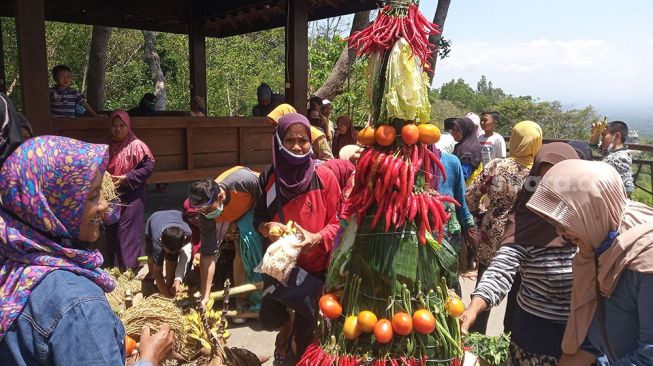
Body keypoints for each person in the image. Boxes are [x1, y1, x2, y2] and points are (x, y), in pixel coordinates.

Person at [0, 135, 173, 365]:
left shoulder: (11, 265)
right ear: (55, 208)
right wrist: (150, 358)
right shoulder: (78, 305)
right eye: (92, 196)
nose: (103, 205)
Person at [461, 143, 579, 365]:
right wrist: (474, 307)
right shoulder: (527, 220)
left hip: (582, 342)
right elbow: (501, 269)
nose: (551, 190)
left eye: (558, 181)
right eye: (543, 182)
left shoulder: (593, 223)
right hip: (533, 338)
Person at [527, 160, 653, 366]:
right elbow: (594, 337)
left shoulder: (645, 260)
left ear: (593, 210)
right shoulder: (598, 248)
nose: (560, 232)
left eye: (565, 219)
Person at [253, 112, 340, 365]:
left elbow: (339, 222)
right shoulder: (269, 178)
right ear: (279, 141)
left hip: (316, 268)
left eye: (303, 140)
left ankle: (294, 353)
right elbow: (258, 218)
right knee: (270, 318)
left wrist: (316, 237)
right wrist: (268, 228)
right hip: (279, 266)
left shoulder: (324, 176)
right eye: (290, 140)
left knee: (306, 333)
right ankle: (285, 327)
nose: (298, 146)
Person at [465, 120, 543, 334]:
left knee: (485, 286)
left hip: (493, 235)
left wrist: (483, 214)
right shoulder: (539, 171)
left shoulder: (496, 166)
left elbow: (471, 197)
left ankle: (474, 339)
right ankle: (509, 343)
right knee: (518, 295)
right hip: (524, 237)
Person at [188, 166, 263, 310]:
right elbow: (208, 255)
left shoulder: (242, 181)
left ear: (221, 196)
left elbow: (268, 196)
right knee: (241, 254)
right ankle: (244, 301)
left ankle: (266, 297)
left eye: (209, 210)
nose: (205, 214)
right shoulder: (206, 216)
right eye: (202, 212)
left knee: (251, 242)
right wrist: (205, 295)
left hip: (257, 205)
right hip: (238, 214)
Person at [106, 109, 155, 269]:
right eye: (114, 126)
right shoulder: (107, 146)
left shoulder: (137, 146)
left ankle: (129, 267)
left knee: (127, 230)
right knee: (112, 228)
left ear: (128, 126)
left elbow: (148, 168)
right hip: (112, 194)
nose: (118, 129)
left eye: (122, 125)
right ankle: (115, 266)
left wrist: (127, 178)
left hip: (132, 194)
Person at [432, 145, 477, 293]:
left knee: (448, 283)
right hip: (436, 233)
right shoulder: (404, 161)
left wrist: (469, 227)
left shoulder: (451, 162)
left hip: (447, 233)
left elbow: (461, 201)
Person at [144, 210, 193, 298]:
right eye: (168, 251)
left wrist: (175, 281)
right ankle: (150, 272)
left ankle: (168, 284)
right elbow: (158, 273)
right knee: (151, 256)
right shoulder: (157, 242)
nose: (169, 253)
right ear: (162, 242)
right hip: (155, 218)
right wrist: (167, 296)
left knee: (172, 257)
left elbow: (184, 256)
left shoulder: (188, 234)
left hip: (176, 215)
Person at [267, 103, 334, 161]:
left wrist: (313, 168)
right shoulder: (281, 137)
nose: (277, 127)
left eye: (303, 140)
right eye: (275, 125)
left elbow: (328, 159)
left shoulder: (315, 135)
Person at [589, 120, 635, 195]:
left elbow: (628, 188)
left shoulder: (621, 158)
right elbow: (593, 145)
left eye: (604, 135)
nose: (602, 139)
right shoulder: (611, 152)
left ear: (617, 136)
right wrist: (595, 134)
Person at [450, 117, 483, 185]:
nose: (454, 133)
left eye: (458, 130)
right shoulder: (465, 145)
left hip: (466, 189)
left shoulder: (467, 149)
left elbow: (464, 174)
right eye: (453, 130)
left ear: (466, 130)